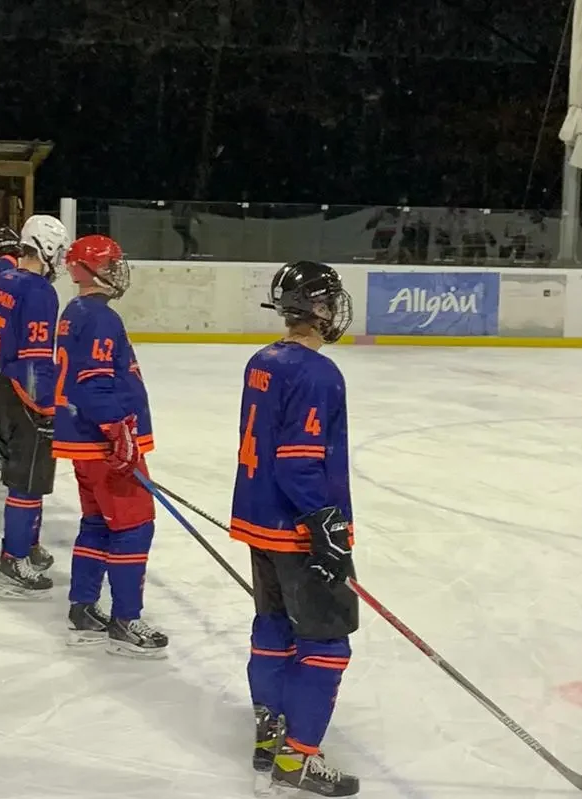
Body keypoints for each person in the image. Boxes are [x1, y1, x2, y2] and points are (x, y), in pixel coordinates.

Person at [229, 261, 360, 797]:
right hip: (298, 528)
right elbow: (298, 459)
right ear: (321, 308)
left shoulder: (262, 361)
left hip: (259, 521)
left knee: (274, 626)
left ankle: (271, 738)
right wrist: (324, 525)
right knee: (327, 641)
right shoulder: (317, 372)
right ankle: (298, 759)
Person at [53, 234, 167, 657]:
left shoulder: (75, 311)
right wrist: (116, 429)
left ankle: (83, 608)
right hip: (103, 444)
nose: (118, 270)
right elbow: (95, 381)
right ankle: (125, 619)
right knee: (134, 524)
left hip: (83, 442)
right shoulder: (101, 317)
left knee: (98, 522)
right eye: (111, 262)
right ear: (89, 269)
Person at [0, 214, 69, 598]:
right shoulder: (39, 291)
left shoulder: (1, 279)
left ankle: (27, 545)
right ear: (47, 248)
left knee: (23, 474)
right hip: (22, 392)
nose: (62, 259)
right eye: (60, 251)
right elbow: (34, 358)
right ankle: (14, 560)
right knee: (27, 480)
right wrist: (46, 407)